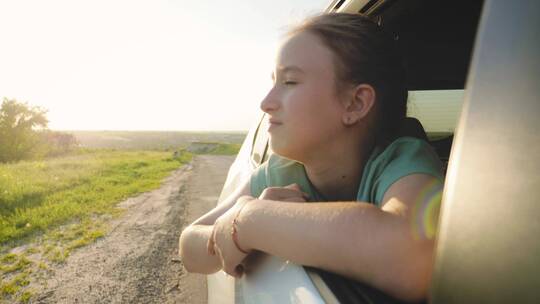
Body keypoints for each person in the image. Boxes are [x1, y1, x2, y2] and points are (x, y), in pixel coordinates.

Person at [179, 13, 444, 302]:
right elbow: (189, 244)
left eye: (290, 82)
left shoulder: (403, 159)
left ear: (355, 103)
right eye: (274, 81)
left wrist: (249, 219)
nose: (266, 103)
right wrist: (238, 223)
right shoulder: (281, 170)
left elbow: (412, 257)